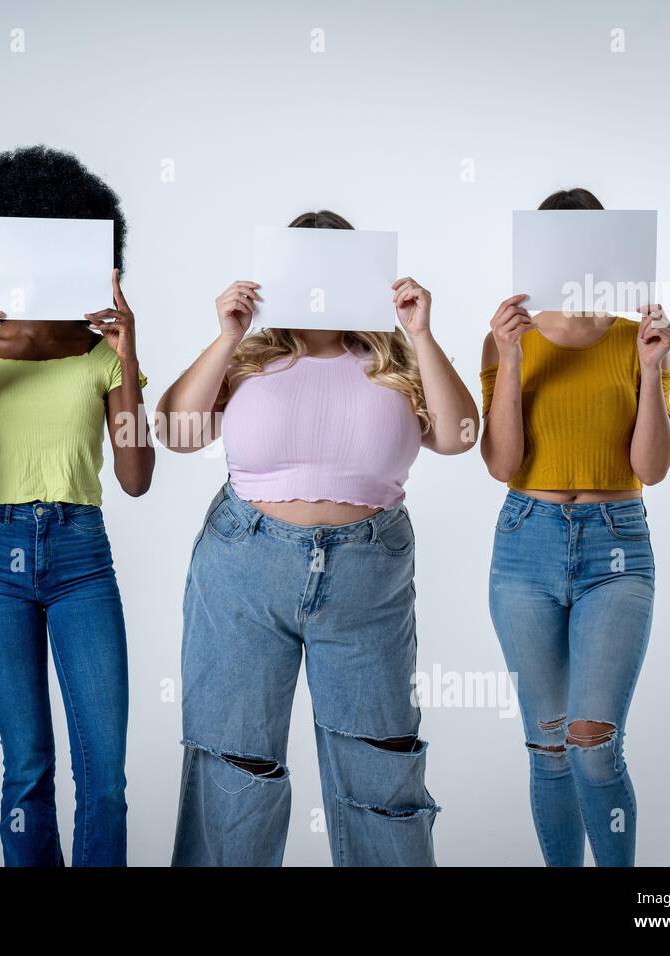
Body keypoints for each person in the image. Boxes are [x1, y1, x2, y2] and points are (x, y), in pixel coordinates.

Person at [157, 210, 477, 866]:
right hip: (245, 565)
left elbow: (458, 436)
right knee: (234, 760)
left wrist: (421, 332)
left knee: (381, 761)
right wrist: (226, 335)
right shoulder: (249, 357)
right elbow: (178, 432)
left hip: (368, 575)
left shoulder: (394, 358)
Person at [0, 146, 154, 866]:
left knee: (105, 777)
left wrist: (126, 359)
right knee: (26, 769)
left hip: (81, 554)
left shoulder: (99, 352)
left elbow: (135, 475)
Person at [480, 188, 670, 866]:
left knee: (593, 739)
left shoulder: (635, 337)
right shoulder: (510, 337)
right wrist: (508, 360)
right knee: (549, 744)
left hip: (616, 542)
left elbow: (650, 467)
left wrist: (651, 371)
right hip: (525, 540)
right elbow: (501, 462)